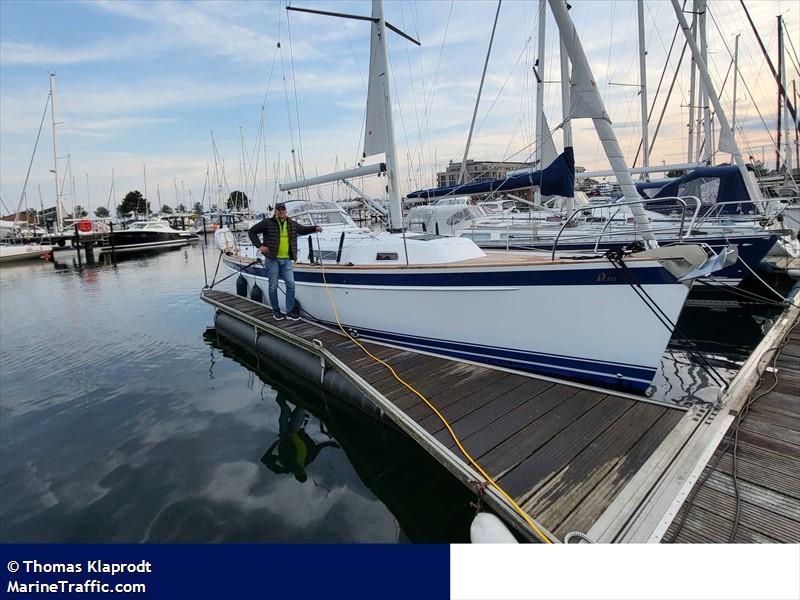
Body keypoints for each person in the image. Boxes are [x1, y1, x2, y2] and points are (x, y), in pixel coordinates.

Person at [248, 202, 321, 320]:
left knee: (291, 285)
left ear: (286, 211)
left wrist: (314, 228)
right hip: (272, 259)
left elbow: (302, 230)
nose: (281, 211)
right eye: (279, 209)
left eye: (283, 210)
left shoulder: (291, 223)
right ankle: (276, 311)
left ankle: (290, 311)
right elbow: (252, 232)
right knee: (273, 286)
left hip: (286, 260)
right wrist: (260, 246)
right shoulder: (267, 223)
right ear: (275, 211)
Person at [260, 397, 340, 483]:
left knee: (285, 411)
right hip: (296, 431)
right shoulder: (308, 459)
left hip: (285, 435)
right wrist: (332, 444)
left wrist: (274, 445)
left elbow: (264, 460)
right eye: (302, 472)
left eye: (298, 473)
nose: (300, 471)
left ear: (295, 475)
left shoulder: (287, 467)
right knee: (301, 407)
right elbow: (319, 447)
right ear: (305, 472)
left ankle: (280, 397)